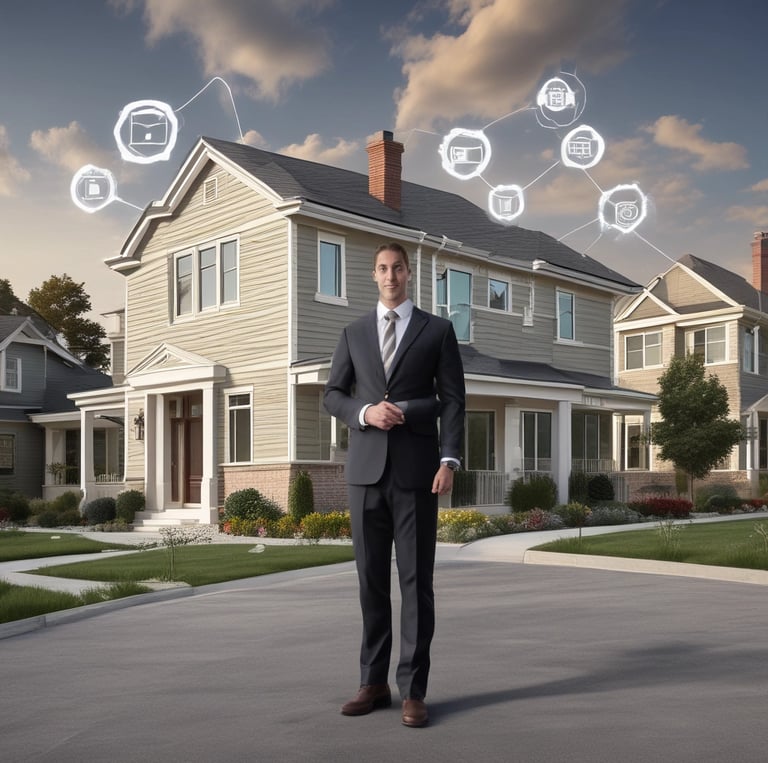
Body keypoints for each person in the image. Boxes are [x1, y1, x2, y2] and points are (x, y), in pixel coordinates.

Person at [324, 242, 466, 728]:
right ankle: (373, 683)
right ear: (374, 275)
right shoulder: (353, 332)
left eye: (398, 269)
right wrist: (364, 413)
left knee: (415, 584)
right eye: (383, 269)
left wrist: (448, 460)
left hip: (416, 474)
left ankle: (413, 690)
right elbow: (332, 395)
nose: (391, 276)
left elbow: (453, 401)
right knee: (370, 584)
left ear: (409, 274)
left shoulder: (438, 331)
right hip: (364, 475)